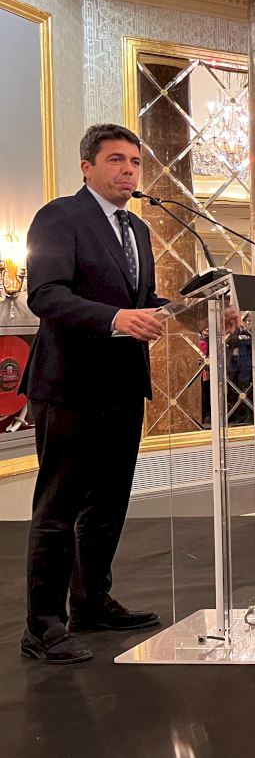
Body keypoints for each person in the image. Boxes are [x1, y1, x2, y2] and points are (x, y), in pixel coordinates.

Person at [20, 124, 173, 664]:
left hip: (123, 386)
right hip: (69, 386)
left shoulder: (138, 229)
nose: (128, 170)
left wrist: (200, 309)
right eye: (116, 160)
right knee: (59, 507)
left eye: (135, 162)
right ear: (87, 166)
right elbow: (46, 295)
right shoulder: (60, 217)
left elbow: (143, 299)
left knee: (108, 504)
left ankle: (91, 602)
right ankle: (43, 625)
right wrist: (114, 318)